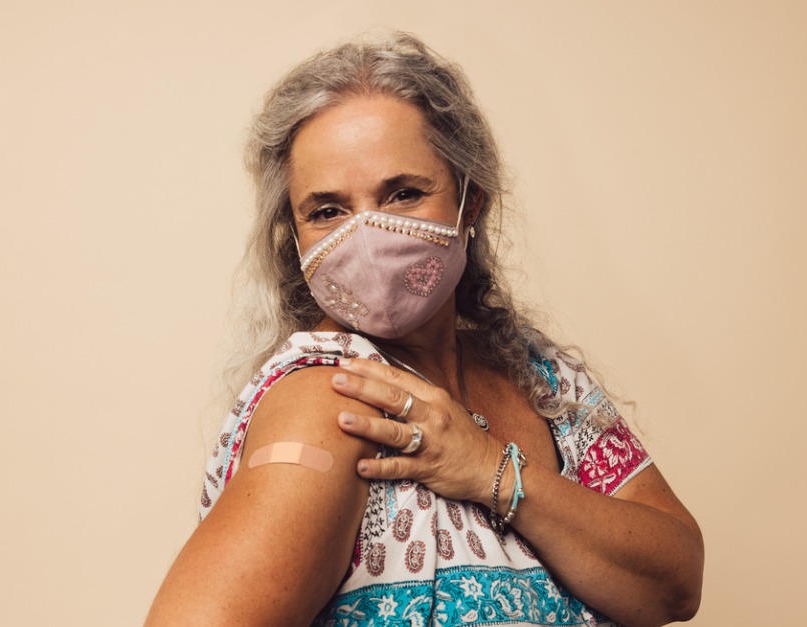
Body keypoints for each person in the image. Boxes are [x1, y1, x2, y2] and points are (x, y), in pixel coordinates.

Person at [147, 32, 703, 627]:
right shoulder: (335, 403)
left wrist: (493, 470)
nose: (366, 236)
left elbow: (675, 584)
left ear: (472, 201)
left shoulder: (540, 376)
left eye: (404, 194)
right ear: (295, 232)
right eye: (328, 211)